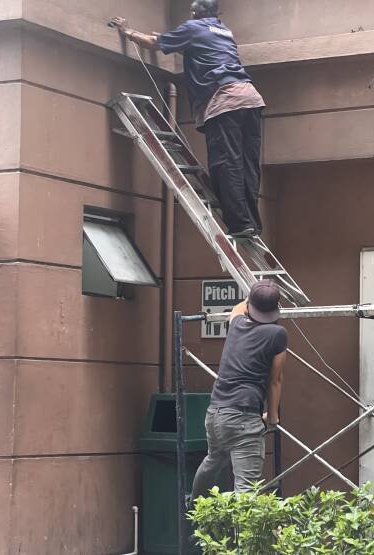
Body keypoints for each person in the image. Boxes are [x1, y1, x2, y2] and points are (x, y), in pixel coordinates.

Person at [111, 0, 265, 238]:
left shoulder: (193, 27)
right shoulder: (223, 30)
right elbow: (201, 50)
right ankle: (252, 223)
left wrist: (127, 31)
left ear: (194, 12)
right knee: (248, 165)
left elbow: (153, 43)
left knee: (227, 163)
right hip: (251, 99)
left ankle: (240, 224)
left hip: (225, 101)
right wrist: (172, 40)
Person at [188, 280, 287, 501]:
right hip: (244, 417)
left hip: (216, 414)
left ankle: (194, 508)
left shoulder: (237, 324)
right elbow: (275, 380)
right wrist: (272, 417)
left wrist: (252, 296)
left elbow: (237, 308)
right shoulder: (277, 334)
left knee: (213, 461)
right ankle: (240, 530)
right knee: (246, 491)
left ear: (251, 306)